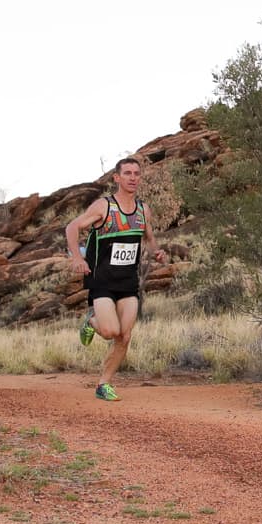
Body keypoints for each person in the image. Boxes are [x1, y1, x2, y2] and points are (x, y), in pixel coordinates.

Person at [64, 157, 168, 401]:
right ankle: (91, 321)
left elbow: (149, 238)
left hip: (128, 282)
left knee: (125, 335)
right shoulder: (104, 207)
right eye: (128, 173)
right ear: (117, 178)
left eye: (137, 174)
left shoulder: (144, 210)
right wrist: (76, 258)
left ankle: (103, 384)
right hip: (101, 280)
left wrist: (157, 252)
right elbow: (72, 227)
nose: (133, 177)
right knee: (111, 332)